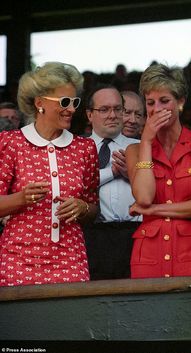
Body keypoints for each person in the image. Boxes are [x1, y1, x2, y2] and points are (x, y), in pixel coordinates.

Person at [0, 62, 99, 287]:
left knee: (69, 320)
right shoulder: (10, 143)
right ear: (39, 103)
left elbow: (93, 207)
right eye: (64, 102)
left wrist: (82, 208)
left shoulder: (85, 148)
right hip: (17, 260)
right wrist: (21, 199)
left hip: (70, 260)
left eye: (75, 102)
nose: (72, 109)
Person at [126, 63, 191, 279]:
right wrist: (147, 143)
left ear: (180, 102)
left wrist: (154, 210)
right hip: (148, 257)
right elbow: (143, 197)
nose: (157, 109)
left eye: (164, 101)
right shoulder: (136, 149)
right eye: (150, 103)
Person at [83, 85, 142, 280]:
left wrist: (132, 174)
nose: (113, 115)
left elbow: (157, 189)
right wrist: (113, 172)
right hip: (92, 237)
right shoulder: (76, 149)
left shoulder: (141, 148)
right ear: (90, 115)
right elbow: (76, 185)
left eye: (118, 109)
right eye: (104, 109)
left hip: (135, 235)